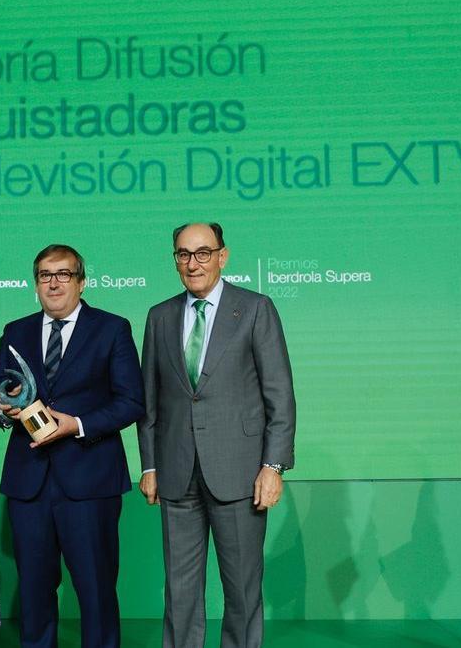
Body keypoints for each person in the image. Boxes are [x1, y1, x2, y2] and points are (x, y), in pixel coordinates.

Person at [136, 222, 295, 648]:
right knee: (180, 594)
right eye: (184, 254)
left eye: (203, 252)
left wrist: (273, 465)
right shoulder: (159, 315)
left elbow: (279, 395)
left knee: (242, 590)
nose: (193, 263)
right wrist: (149, 464)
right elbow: (150, 404)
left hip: (241, 473)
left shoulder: (256, 308)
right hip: (175, 472)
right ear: (175, 259)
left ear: (223, 256)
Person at [0, 244, 144, 648]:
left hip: (90, 481)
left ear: (81, 281)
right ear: (35, 283)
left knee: (95, 591)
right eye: (44, 275)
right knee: (35, 596)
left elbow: (131, 402)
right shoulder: (15, 331)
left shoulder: (112, 328)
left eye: (63, 274)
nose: (53, 282)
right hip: (29, 484)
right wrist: (4, 408)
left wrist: (77, 425)